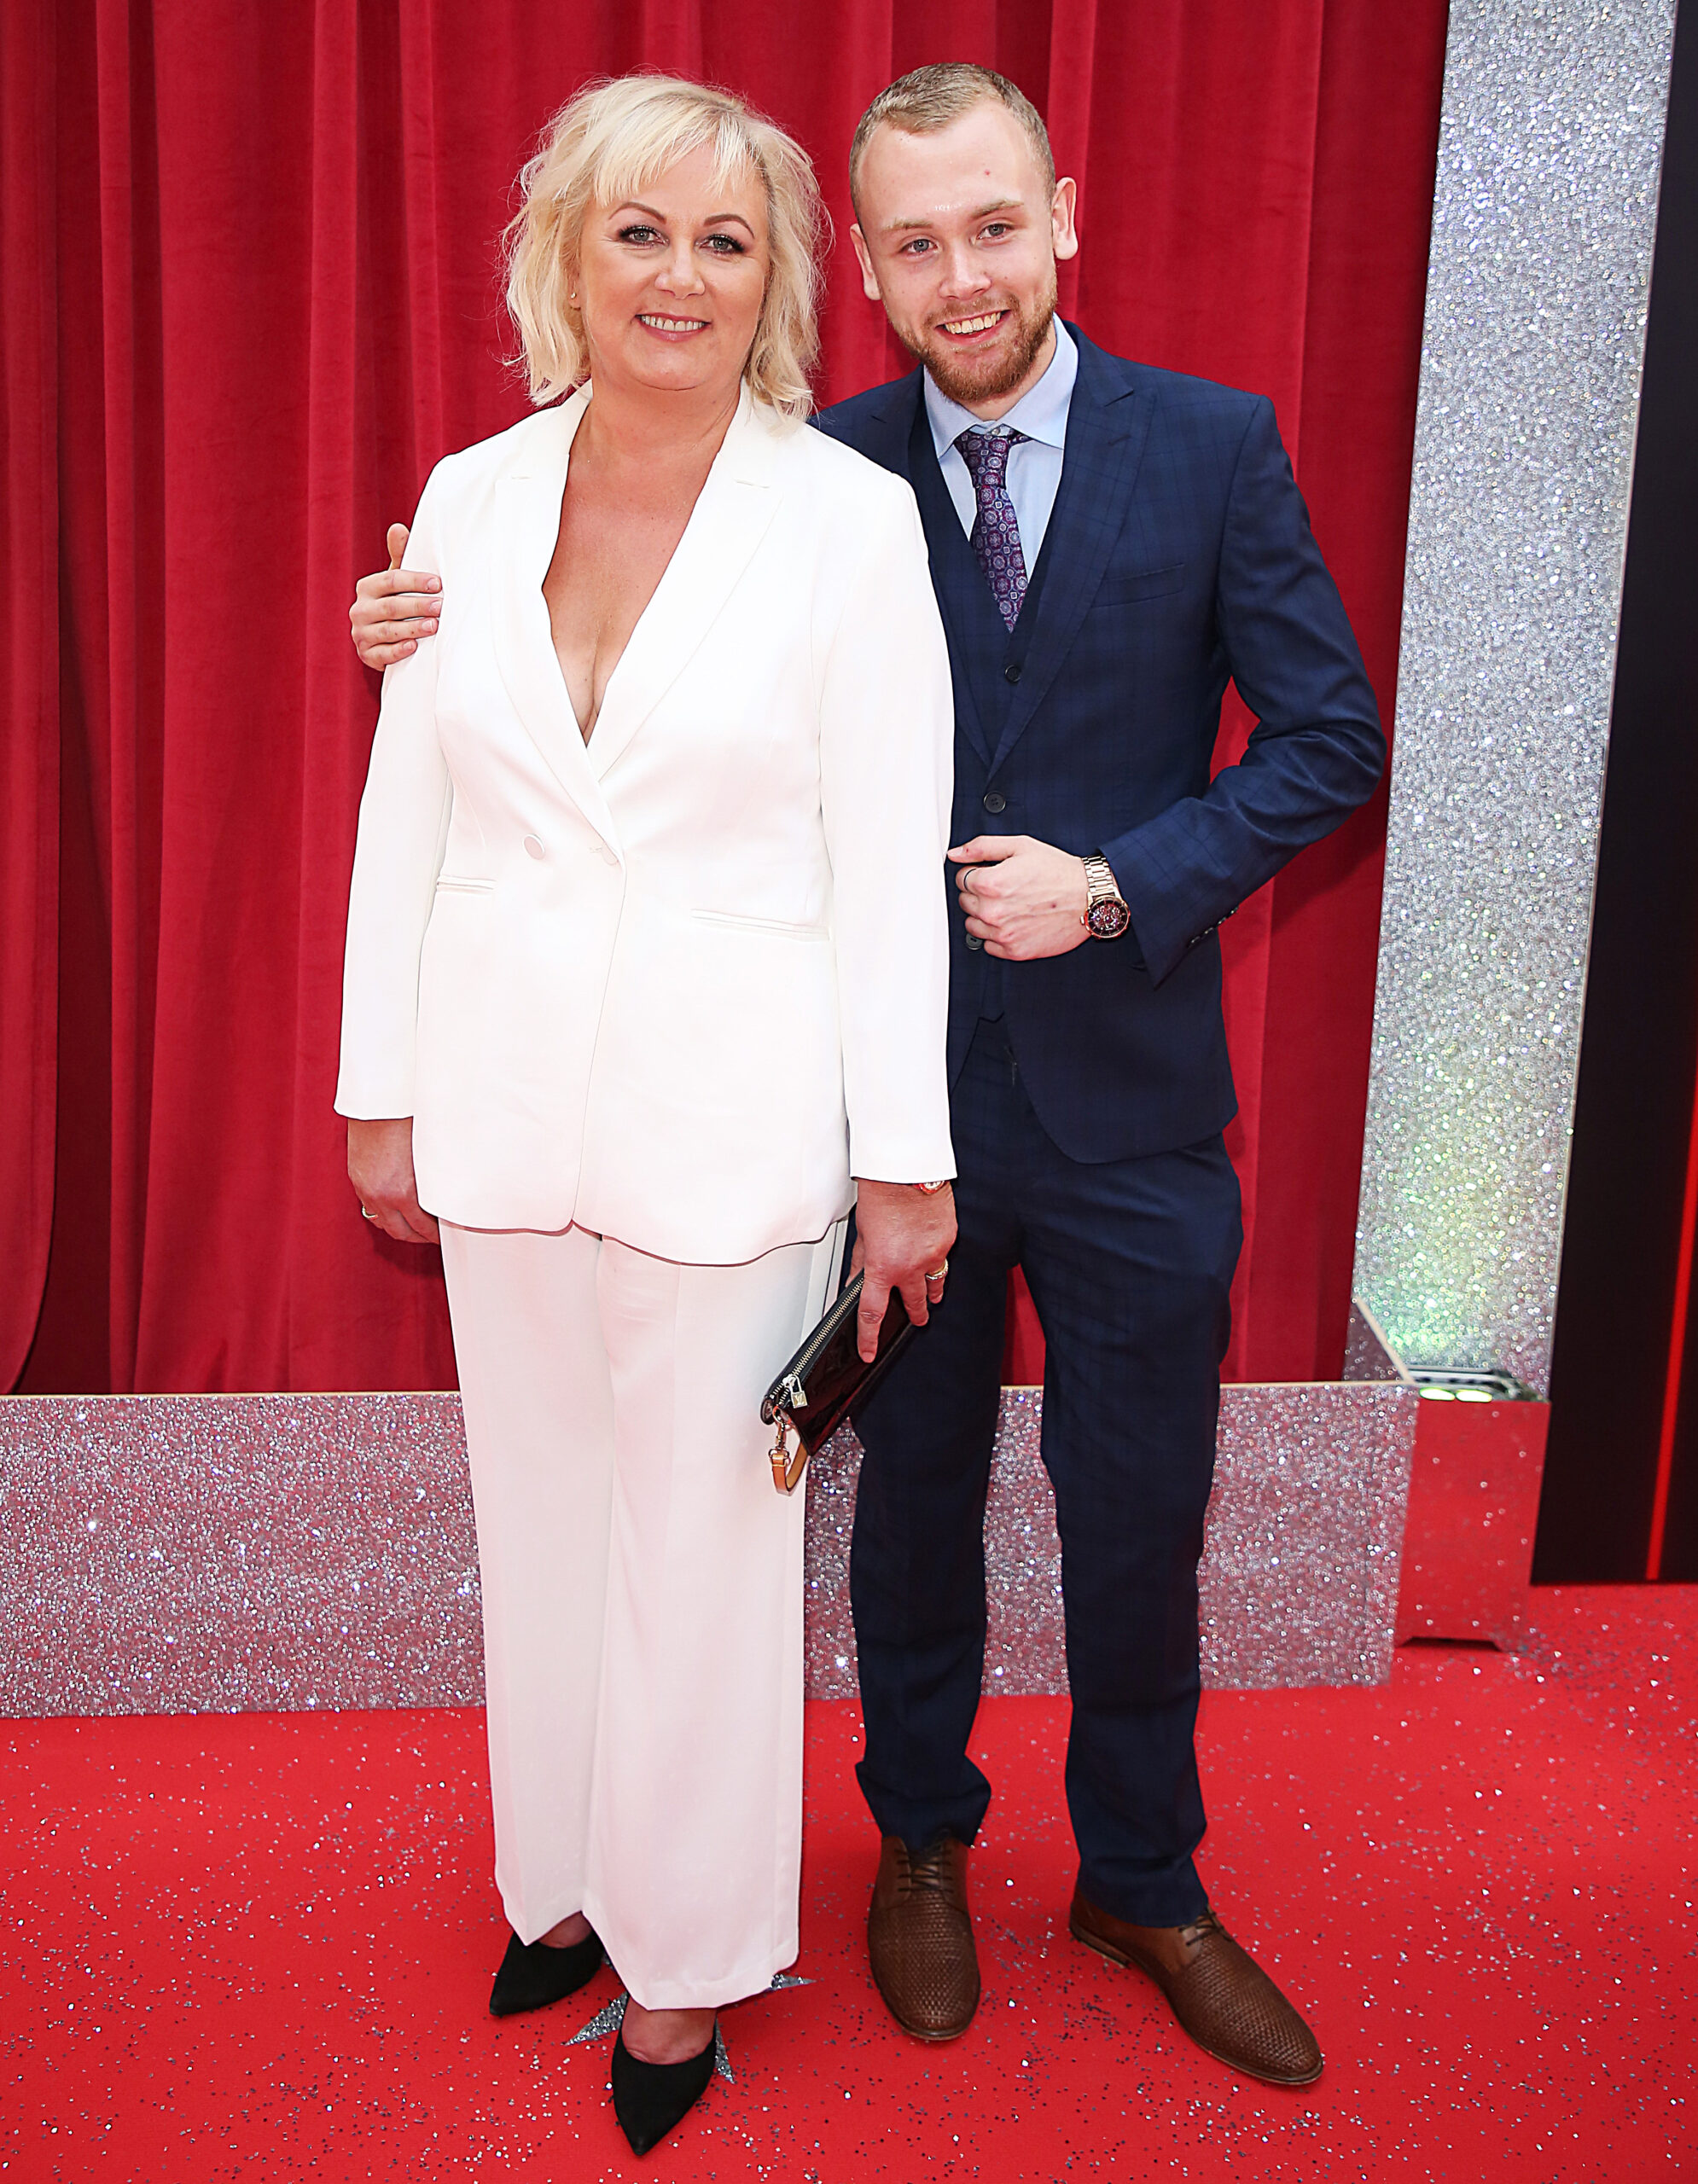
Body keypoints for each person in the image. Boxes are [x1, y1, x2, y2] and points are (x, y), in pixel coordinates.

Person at [352, 63, 1386, 2091]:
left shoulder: (1187, 449)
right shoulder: (787, 465)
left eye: (990, 226)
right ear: (870, 268)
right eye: (914, 242)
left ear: (1059, 217)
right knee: (897, 1508)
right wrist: (420, 624)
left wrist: (1117, 883)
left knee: (1133, 1508)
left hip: (1100, 1095)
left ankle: (1145, 1880)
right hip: (837, 1103)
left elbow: (1325, 737)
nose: (958, 275)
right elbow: (533, 727)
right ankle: (913, 1846)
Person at [335, 73, 957, 2156]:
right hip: (502, 1110)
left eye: (723, 240)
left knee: (700, 1555)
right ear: (565, 256)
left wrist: (902, 1164)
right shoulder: (471, 495)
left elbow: (888, 865)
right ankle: (565, 1884)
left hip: (732, 1129)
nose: (677, 274)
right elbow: (413, 808)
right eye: (638, 230)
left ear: (774, 282)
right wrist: (379, 1088)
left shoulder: (843, 522)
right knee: (539, 1521)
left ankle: (683, 1961)